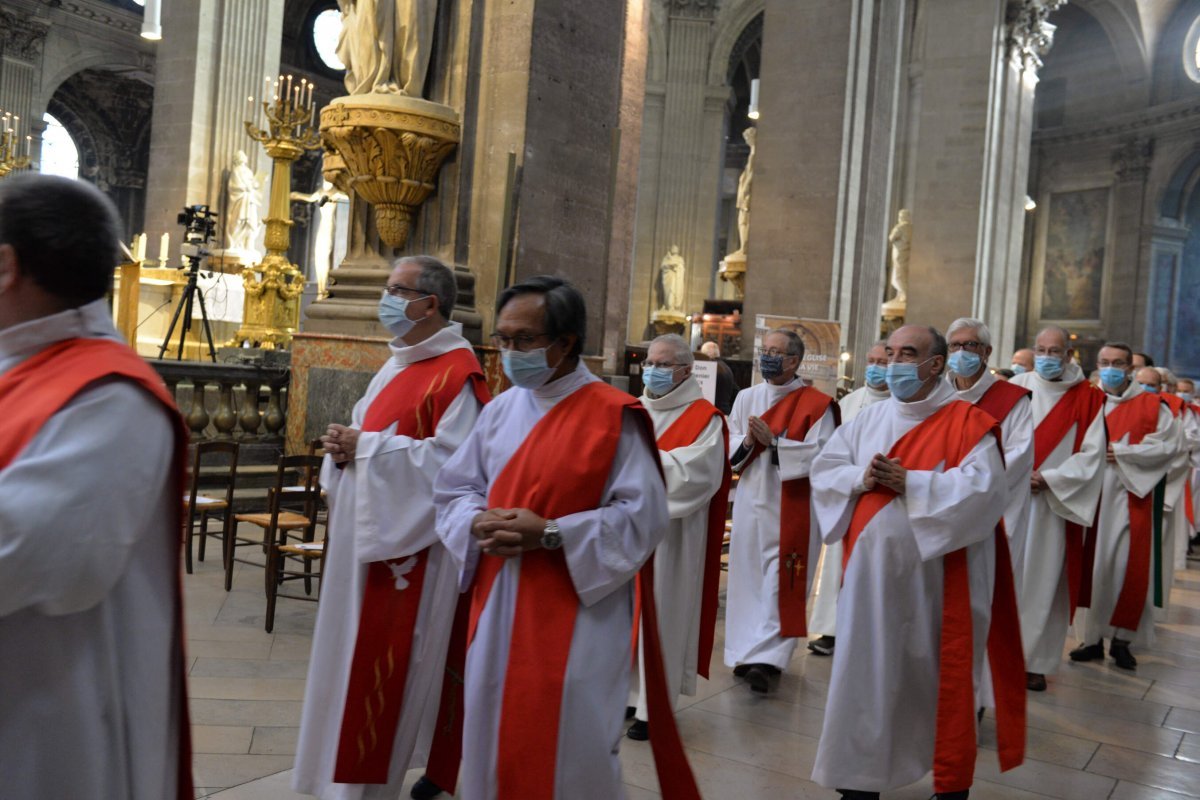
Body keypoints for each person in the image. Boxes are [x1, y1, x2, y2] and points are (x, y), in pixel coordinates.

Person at [434, 276, 699, 799]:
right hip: (498, 603)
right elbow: (456, 488)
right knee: (493, 729)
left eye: (524, 340)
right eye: (503, 340)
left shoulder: (612, 416)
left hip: (579, 613)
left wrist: (553, 533)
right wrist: (473, 520)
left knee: (571, 745)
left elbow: (643, 519)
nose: (510, 353)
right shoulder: (501, 409)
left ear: (566, 342)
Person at [0, 174, 192, 798]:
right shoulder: (25, 367)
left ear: (6, 267)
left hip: (44, 721)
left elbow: (29, 555)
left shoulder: (107, 396)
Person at [293, 256, 491, 800]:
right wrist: (343, 449)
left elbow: (459, 468)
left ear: (430, 304)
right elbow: (365, 429)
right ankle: (335, 778)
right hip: (363, 538)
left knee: (387, 668)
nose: (386, 299)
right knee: (344, 654)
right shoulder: (400, 364)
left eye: (396, 289)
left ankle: (365, 788)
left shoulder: (459, 375)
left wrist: (369, 448)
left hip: (408, 552)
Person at [810, 324, 1024, 800]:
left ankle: (945, 779)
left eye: (908, 354)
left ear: (935, 363)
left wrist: (915, 484)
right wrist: (860, 478)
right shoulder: (868, 419)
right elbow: (827, 469)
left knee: (930, 678)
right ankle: (860, 779)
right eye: (891, 353)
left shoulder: (968, 423)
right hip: (869, 578)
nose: (895, 363)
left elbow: (986, 494)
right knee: (864, 674)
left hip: (936, 581)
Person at [626, 334, 729, 741]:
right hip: (629, 530)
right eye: (650, 362)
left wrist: (638, 467)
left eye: (664, 364)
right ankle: (626, 695)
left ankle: (655, 706)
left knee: (663, 615)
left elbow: (698, 475)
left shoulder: (705, 418)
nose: (653, 370)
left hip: (672, 535)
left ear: (686, 370)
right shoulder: (633, 409)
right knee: (624, 617)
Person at [724, 328, 838, 693]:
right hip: (751, 501)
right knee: (748, 579)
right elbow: (731, 449)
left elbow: (825, 456)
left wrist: (773, 442)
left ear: (794, 360)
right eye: (765, 350)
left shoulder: (818, 405)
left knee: (781, 582)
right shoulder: (746, 397)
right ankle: (747, 652)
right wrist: (747, 441)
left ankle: (768, 660)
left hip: (794, 506)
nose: (767, 356)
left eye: (776, 351)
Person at [1009, 326, 1105, 692]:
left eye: (1055, 351)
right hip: (1011, 499)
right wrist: (1014, 475)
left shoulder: (1090, 399)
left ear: (1069, 355)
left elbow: (1093, 456)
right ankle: (997, 652)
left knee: (1045, 583)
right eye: (1041, 349)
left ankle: (1036, 662)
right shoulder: (1015, 388)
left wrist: (1049, 478)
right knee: (1009, 578)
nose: (1047, 357)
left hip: (1053, 505)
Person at [1071, 343, 1177, 671]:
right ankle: (1090, 640)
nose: (1111, 368)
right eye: (1105, 362)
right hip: (1087, 495)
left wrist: (1126, 453)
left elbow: (1170, 445)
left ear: (1130, 368)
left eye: (1118, 363)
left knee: (1122, 569)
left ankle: (1121, 640)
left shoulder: (1152, 405)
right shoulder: (1086, 399)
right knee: (1092, 569)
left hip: (1129, 496)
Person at [806, 339, 889, 657]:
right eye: (871, 359)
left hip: (880, 497)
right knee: (835, 567)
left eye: (882, 361)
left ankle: (867, 632)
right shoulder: (850, 401)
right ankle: (831, 628)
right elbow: (832, 450)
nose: (875, 366)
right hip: (848, 491)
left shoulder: (903, 406)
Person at [945, 318, 1034, 583]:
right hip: (938, 502)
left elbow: (1018, 455)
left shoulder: (1012, 399)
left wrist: (964, 486)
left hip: (990, 507)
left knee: (984, 583)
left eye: (971, 345)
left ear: (987, 351)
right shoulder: (936, 395)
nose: (962, 352)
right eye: (955, 345)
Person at [700, 339, 740, 415]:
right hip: (725, 412)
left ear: (704, 355)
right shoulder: (726, 367)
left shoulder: (709, 369)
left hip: (713, 413)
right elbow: (736, 391)